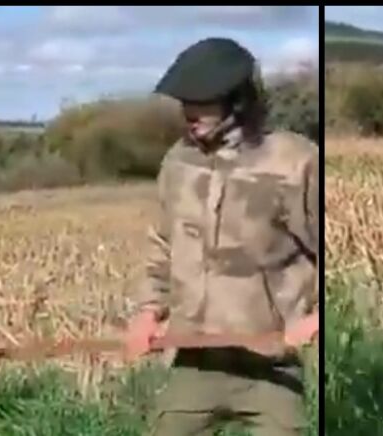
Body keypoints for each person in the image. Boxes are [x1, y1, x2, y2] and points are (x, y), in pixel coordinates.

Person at [123, 37, 320, 436]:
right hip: (196, 359)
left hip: (271, 365)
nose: (189, 113)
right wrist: (147, 312)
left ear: (238, 101)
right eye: (185, 102)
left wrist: (317, 320)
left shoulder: (293, 163)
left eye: (201, 101)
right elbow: (162, 246)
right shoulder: (179, 162)